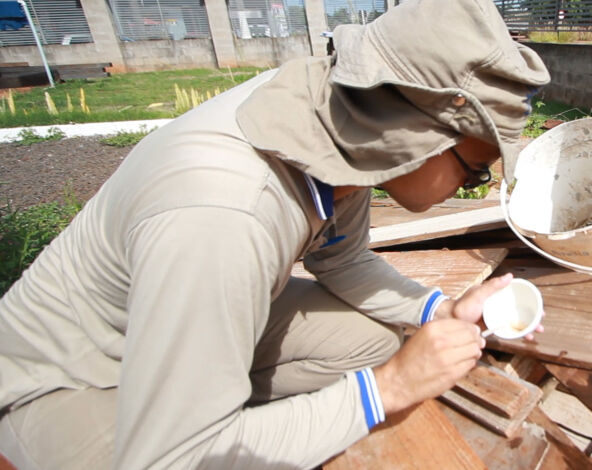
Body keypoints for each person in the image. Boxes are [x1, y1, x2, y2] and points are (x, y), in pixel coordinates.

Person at [0, 0, 550, 468]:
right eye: (473, 172)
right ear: (418, 139)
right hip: (71, 378)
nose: (473, 185)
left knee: (376, 343)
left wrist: (441, 310)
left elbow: (342, 259)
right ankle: (205, 414)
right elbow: (170, 458)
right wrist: (391, 388)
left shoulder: (344, 123)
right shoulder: (225, 217)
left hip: (165, 318)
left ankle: (210, 403)